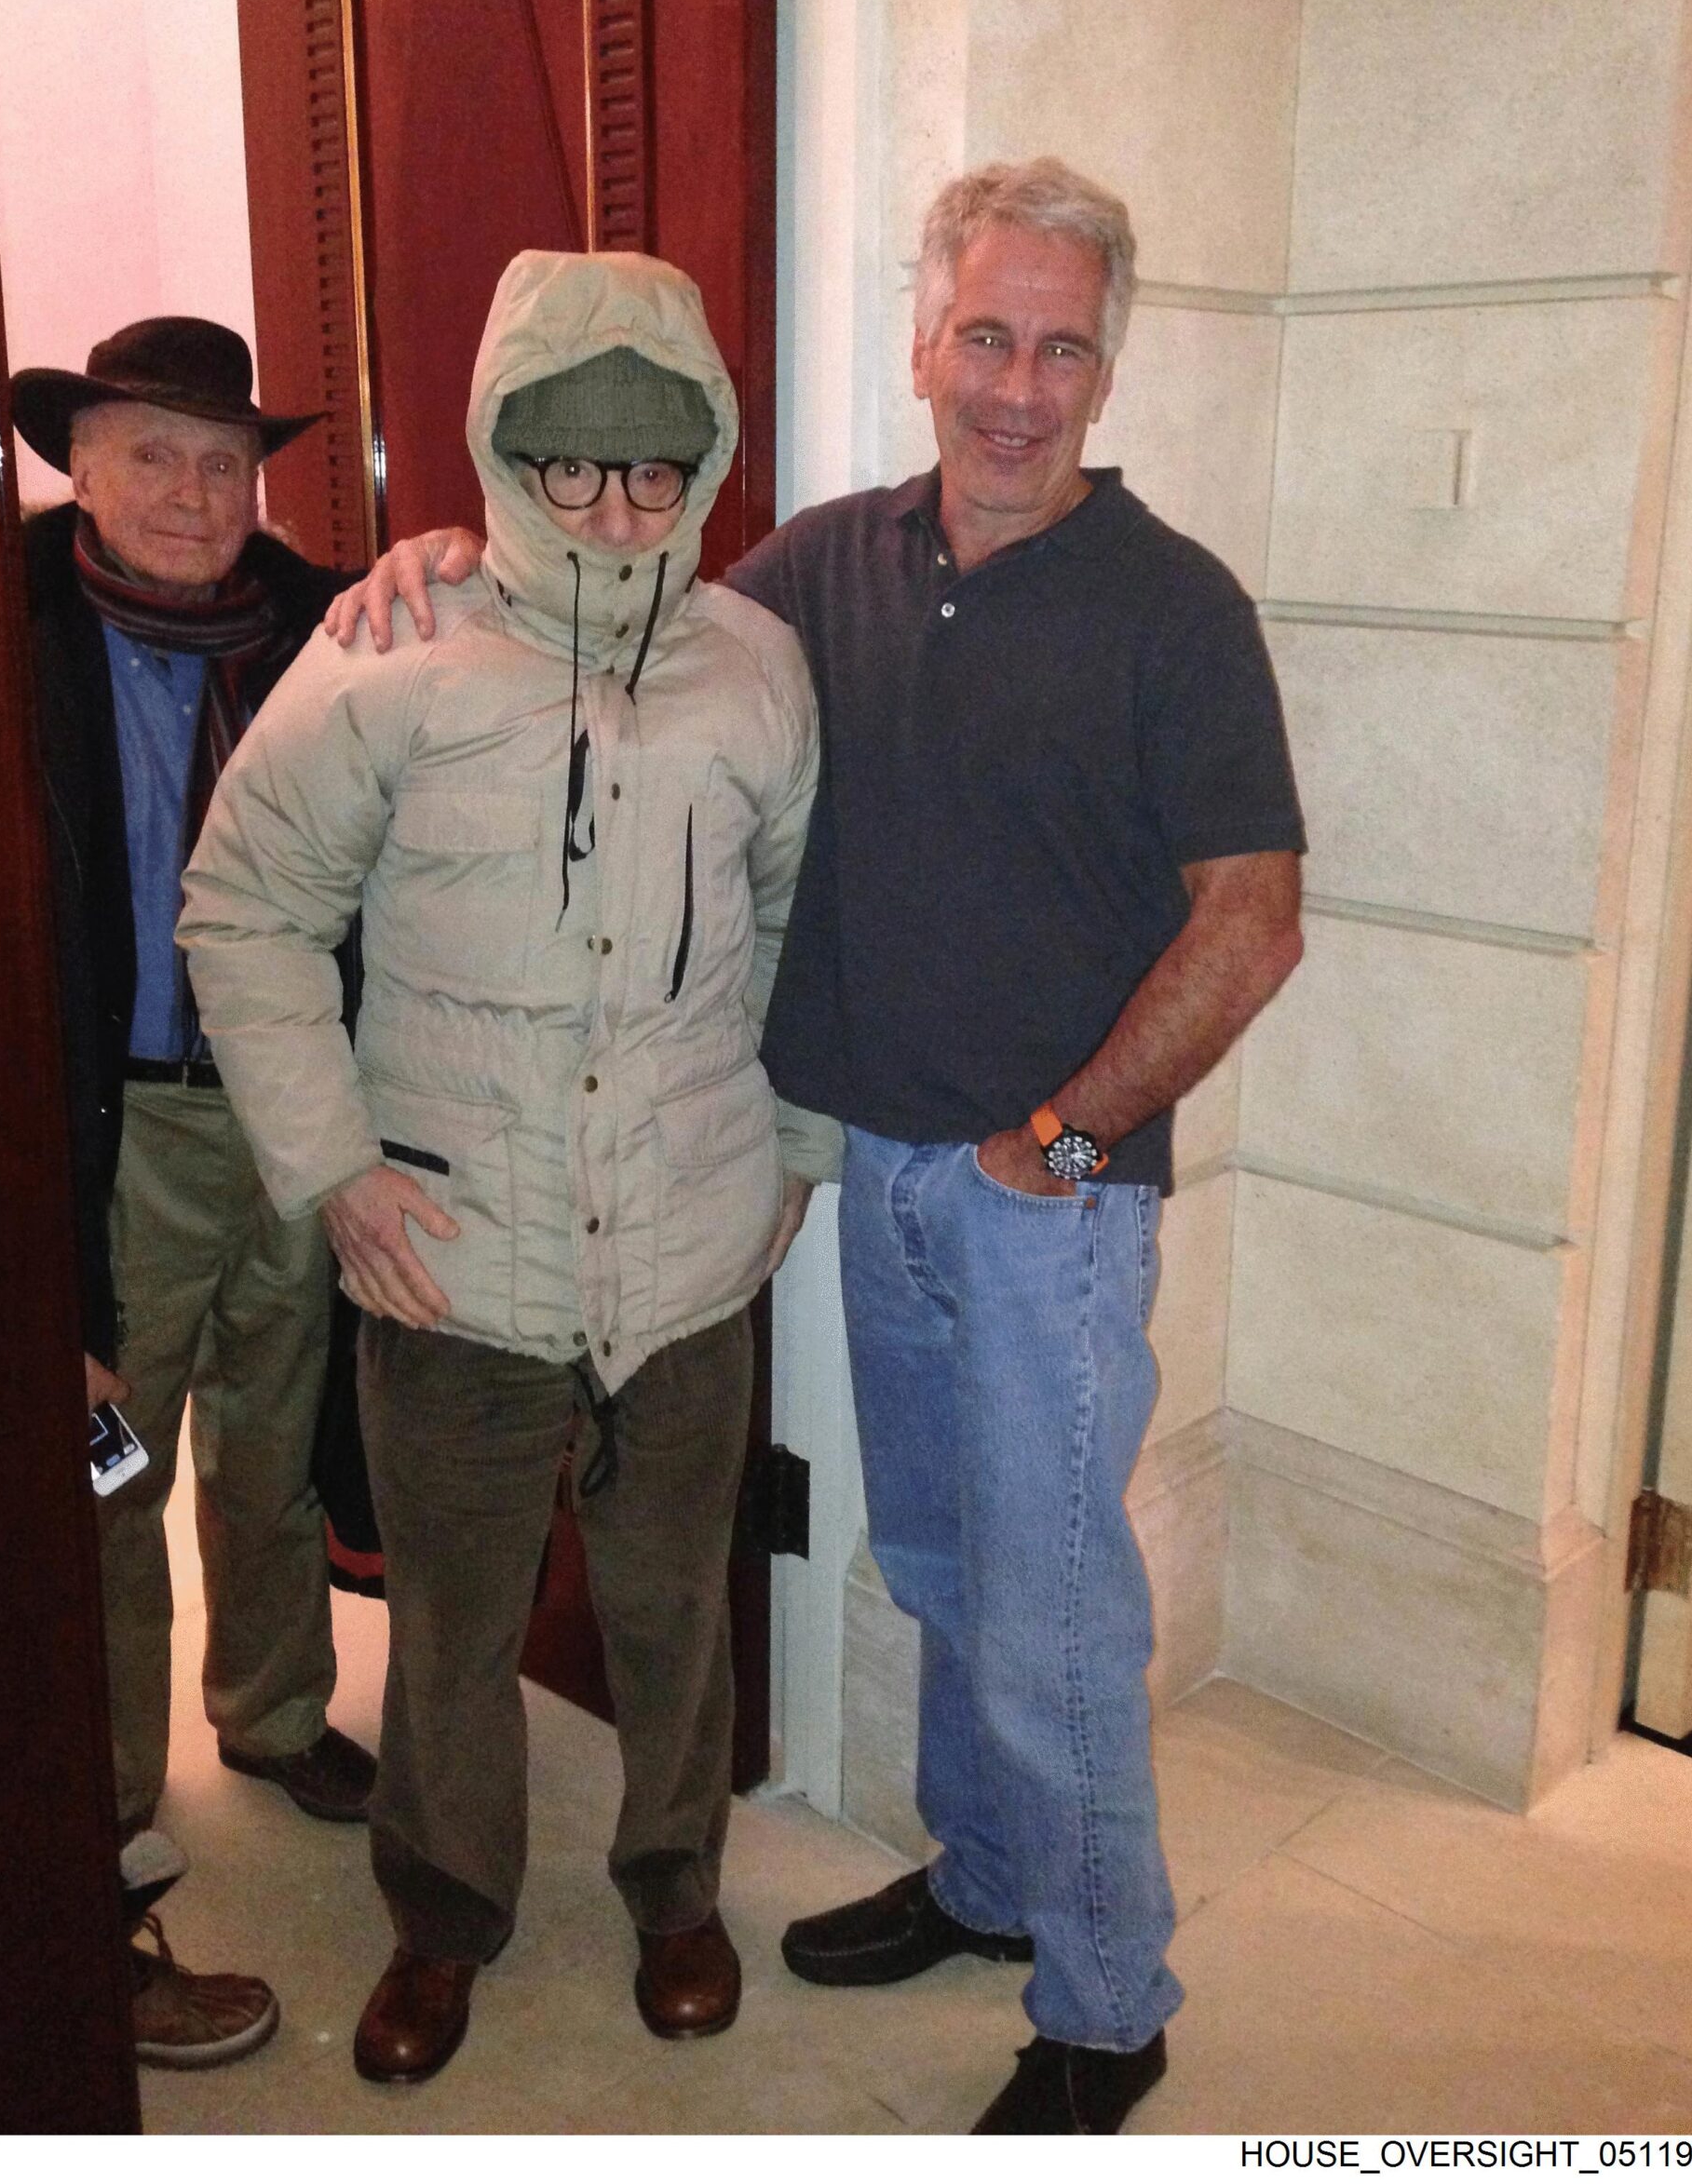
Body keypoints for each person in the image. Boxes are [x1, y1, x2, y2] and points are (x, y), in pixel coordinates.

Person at [336, 158, 1306, 2136]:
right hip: (880, 1173)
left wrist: (1066, 1138)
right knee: (941, 1566)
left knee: (1052, 1619)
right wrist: (441, 551)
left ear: (1105, 369)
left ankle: (1108, 2000)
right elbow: (615, 606)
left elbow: (1253, 922)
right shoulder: (822, 569)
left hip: (1051, 1207)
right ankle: (987, 1879)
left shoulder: (1175, 607)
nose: (1017, 387)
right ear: (924, 342)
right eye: (985, 337)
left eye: (1060, 349)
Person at [178, 248, 836, 2088]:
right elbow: (243, 908)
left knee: (673, 1608)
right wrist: (331, 1167)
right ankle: (444, 1915)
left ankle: (676, 1888)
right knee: (456, 1627)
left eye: (652, 467)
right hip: (450, 1251)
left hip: (690, 1248)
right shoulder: (389, 650)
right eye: (567, 464)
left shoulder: (758, 668)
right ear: (502, 451)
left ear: (706, 459)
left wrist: (792, 1146)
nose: (612, 509)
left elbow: (796, 928)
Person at [13, 316, 379, 2067]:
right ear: (76, 468)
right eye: (149, 451)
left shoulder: (325, 635)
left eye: (222, 460)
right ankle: (94, 1818)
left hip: (294, 1110)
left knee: (277, 1427)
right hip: (114, 1131)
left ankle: (276, 1709)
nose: (188, 490)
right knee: (103, 1469)